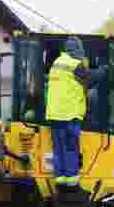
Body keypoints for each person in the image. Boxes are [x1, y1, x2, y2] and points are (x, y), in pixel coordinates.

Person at [45, 38, 109, 187]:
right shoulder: (74, 65)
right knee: (71, 147)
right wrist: (104, 70)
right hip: (69, 114)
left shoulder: (56, 63)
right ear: (75, 51)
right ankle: (72, 178)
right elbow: (90, 79)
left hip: (54, 114)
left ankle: (60, 177)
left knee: (58, 147)